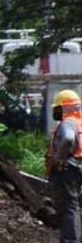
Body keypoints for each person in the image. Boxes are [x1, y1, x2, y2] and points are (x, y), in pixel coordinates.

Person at [49, 89, 82, 243]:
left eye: (57, 108)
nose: (55, 112)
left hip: (68, 169)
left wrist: (58, 157)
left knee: (68, 207)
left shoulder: (68, 123)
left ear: (64, 108)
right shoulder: (80, 122)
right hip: (79, 166)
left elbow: (68, 138)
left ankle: (70, 240)